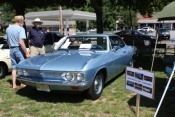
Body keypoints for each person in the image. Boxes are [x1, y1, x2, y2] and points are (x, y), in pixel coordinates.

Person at [4, 15, 30, 90]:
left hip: (11, 49)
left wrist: (11, 44)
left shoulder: (8, 28)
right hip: (18, 49)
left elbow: (6, 40)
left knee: (14, 67)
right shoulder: (20, 29)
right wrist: (26, 52)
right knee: (22, 66)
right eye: (23, 21)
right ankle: (23, 83)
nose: (23, 23)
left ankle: (14, 85)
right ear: (19, 21)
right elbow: (21, 42)